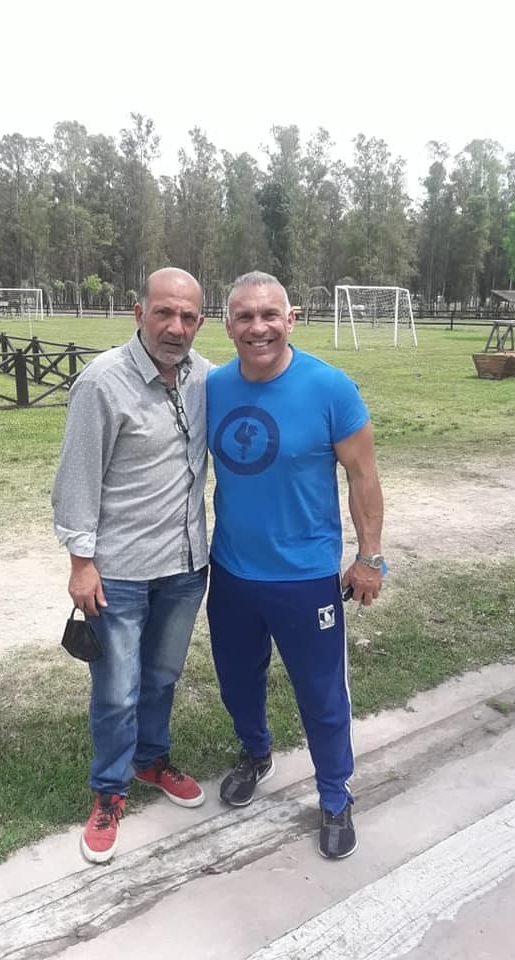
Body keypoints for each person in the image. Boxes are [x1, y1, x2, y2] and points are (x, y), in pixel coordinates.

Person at [206, 271, 385, 860]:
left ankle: (334, 795)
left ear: (291, 319)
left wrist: (370, 557)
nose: (257, 327)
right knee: (237, 680)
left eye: (269, 315)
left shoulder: (331, 389)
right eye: (244, 316)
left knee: (321, 693)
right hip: (232, 573)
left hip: (305, 578)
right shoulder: (213, 388)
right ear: (227, 324)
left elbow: (363, 477)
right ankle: (256, 753)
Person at [52, 267, 209, 864]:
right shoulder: (102, 382)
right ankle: (109, 791)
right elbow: (76, 479)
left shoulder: (205, 378)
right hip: (118, 571)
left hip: (185, 565)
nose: (175, 327)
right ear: (138, 312)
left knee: (163, 676)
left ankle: (150, 760)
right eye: (163, 312)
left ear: (200, 321)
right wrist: (81, 564)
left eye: (187, 316)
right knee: (117, 691)